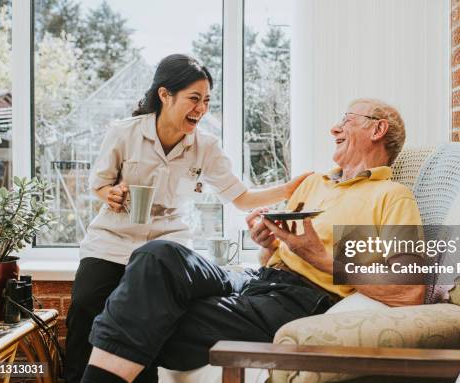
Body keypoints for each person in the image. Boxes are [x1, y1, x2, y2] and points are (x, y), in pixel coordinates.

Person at [80, 98, 426, 383]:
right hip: (257, 280)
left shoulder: (390, 196)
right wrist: (268, 244)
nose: (334, 128)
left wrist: (320, 258)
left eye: (347, 119)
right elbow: (273, 259)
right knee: (158, 255)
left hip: (300, 299)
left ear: (377, 129)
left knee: (152, 313)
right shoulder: (313, 183)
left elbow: (410, 291)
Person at [65, 54, 309, 383]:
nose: (201, 108)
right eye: (194, 99)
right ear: (165, 95)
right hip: (112, 242)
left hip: (165, 247)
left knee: (147, 320)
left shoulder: (205, 146)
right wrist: (109, 193)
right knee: (84, 309)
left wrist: (291, 187)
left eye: (206, 100)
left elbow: (241, 198)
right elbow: (99, 183)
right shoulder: (124, 133)